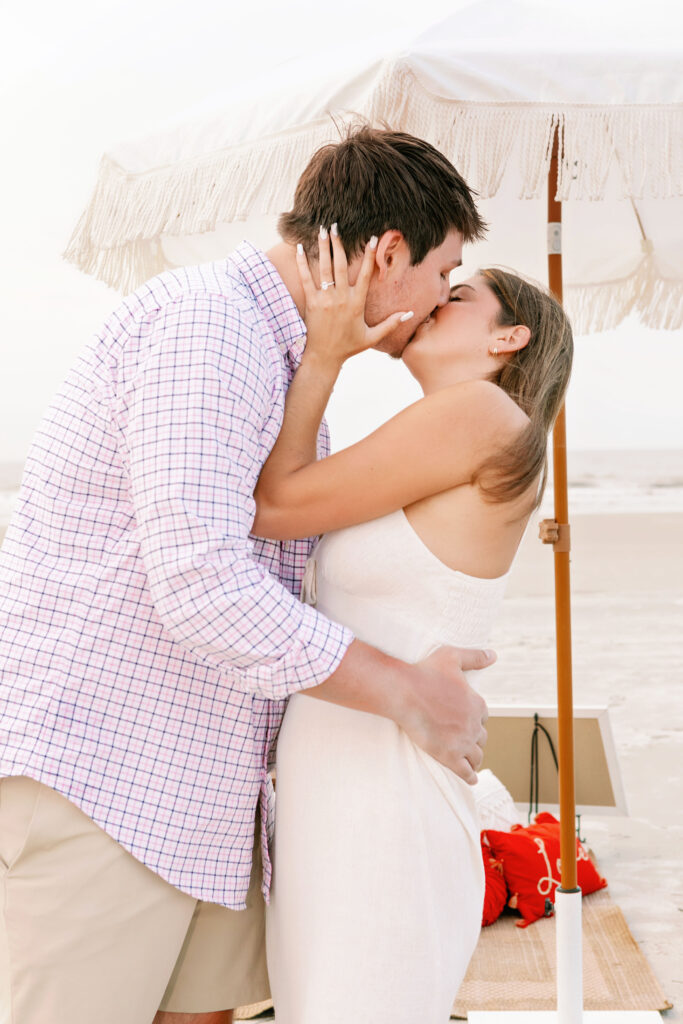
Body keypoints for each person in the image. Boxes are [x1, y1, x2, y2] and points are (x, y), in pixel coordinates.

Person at [0, 127, 495, 1024]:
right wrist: (404, 693)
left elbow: (268, 523)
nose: (437, 297)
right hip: (106, 782)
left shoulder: (280, 350)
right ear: (390, 251)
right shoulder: (209, 326)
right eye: (442, 270)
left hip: (206, 794)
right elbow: (203, 584)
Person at [253, 231, 573, 1022]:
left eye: (458, 295)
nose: (436, 297)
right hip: (338, 780)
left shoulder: (481, 412)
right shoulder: (451, 423)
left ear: (509, 338)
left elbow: (275, 507)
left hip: (382, 795)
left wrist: (326, 354)